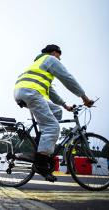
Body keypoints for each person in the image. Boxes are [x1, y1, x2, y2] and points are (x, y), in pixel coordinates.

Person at [14, 44, 94, 181]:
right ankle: (40, 163)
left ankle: (40, 146)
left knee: (56, 111)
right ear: (54, 53)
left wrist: (65, 105)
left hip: (22, 92)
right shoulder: (50, 59)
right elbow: (68, 79)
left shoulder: (38, 64)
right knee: (52, 127)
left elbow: (50, 91)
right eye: (59, 56)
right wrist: (84, 98)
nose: (59, 59)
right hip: (31, 93)